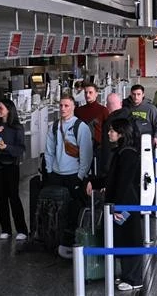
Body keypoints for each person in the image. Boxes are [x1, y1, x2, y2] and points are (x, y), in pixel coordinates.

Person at [90, 118, 143, 292]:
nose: (109, 133)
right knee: (122, 237)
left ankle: (134, 277)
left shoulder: (127, 154)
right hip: (122, 202)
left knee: (130, 238)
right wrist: (95, 183)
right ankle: (128, 274)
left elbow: (124, 182)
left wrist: (118, 206)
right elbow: (113, 178)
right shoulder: (122, 152)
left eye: (112, 131)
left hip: (126, 203)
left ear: (121, 133)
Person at [45, 95, 93, 259]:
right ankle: (56, 241)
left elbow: (86, 154)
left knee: (74, 210)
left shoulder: (81, 127)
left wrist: (80, 176)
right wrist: (49, 170)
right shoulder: (54, 126)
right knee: (56, 210)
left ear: (73, 107)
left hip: (74, 175)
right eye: (61, 105)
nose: (63, 108)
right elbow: (49, 150)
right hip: (57, 175)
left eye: (66, 105)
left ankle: (73, 243)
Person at [0, 99, 28, 241]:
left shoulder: (17, 127)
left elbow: (21, 149)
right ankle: (6, 229)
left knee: (14, 196)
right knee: (0, 198)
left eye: (1, 108)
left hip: (11, 165)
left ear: (9, 110)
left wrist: (7, 147)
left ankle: (22, 229)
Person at [75, 82, 109, 173]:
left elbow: (107, 130)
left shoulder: (103, 110)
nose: (87, 95)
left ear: (96, 94)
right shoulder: (79, 111)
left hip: (98, 147)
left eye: (90, 92)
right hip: (82, 147)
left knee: (97, 172)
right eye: (85, 93)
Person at [127, 84, 157, 150]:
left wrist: (156, 137)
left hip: (147, 142)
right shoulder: (126, 108)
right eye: (134, 94)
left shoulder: (151, 108)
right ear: (130, 94)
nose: (136, 97)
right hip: (130, 142)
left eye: (138, 94)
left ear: (143, 94)